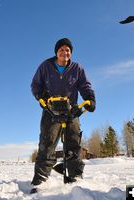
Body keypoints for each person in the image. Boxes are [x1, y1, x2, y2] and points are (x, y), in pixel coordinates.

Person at [30, 38, 96, 192]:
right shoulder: (46, 66)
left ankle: (75, 180)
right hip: (50, 110)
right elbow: (35, 85)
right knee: (46, 146)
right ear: (56, 52)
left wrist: (90, 99)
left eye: (67, 50)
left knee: (73, 146)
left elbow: (85, 86)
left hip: (71, 111)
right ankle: (40, 182)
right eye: (61, 49)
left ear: (70, 53)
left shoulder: (77, 68)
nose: (64, 52)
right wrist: (42, 97)